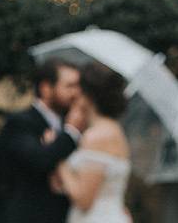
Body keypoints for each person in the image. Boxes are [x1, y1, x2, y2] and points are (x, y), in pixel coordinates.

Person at [0, 58, 87, 223]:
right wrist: (71, 132)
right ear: (46, 88)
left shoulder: (75, 126)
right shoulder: (20, 122)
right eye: (70, 86)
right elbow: (39, 160)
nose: (76, 93)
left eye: (79, 86)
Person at [51, 62, 132, 223]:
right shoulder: (112, 129)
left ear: (89, 95)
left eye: (78, 88)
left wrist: (59, 161)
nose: (75, 94)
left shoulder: (97, 136)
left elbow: (84, 200)